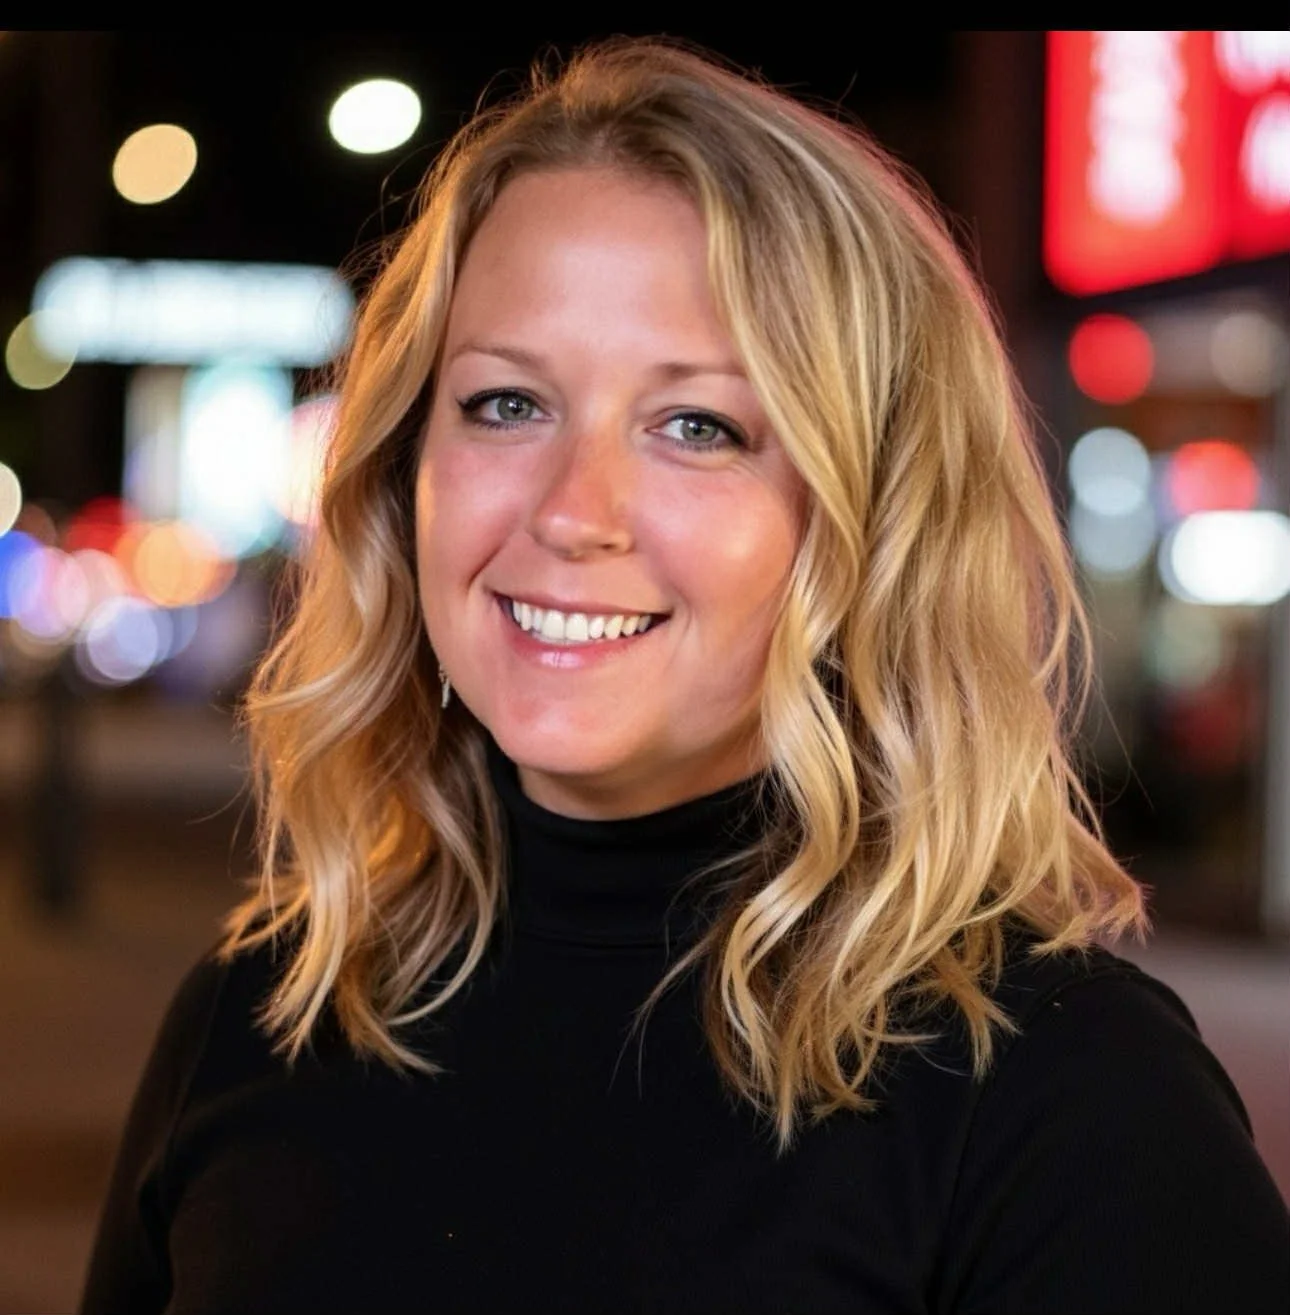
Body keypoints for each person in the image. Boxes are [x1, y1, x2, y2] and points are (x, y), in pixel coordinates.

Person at [81, 38, 1289, 1314]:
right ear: (402, 469)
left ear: (871, 523)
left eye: (698, 426)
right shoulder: (258, 1013)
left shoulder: (1069, 1096)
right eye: (505, 404)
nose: (573, 510)